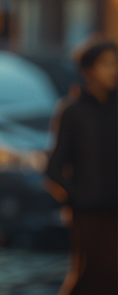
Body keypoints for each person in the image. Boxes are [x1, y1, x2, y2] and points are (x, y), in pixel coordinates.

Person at [47, 40, 117, 295]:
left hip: (116, 211)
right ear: (88, 70)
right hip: (88, 214)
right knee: (91, 276)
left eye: (116, 63)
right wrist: (77, 196)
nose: (114, 70)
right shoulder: (73, 111)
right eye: (107, 64)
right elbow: (53, 167)